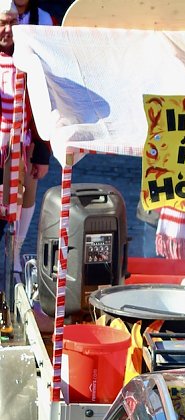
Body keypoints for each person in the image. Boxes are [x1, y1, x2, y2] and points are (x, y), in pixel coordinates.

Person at [0, 0, 55, 279]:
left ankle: (14, 256)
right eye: (3, 23)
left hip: (22, 141)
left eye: (12, 23)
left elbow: (43, 99)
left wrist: (43, 151)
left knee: (22, 199)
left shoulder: (30, 52)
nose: (8, 29)